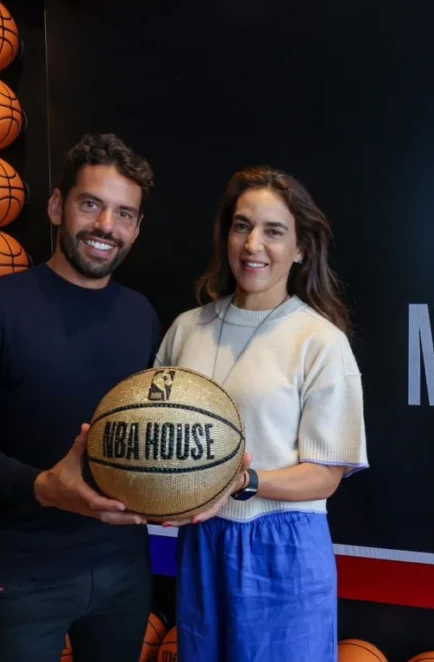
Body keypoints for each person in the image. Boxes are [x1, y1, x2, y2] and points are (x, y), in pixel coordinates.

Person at [0, 134, 161, 662]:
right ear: (57, 207)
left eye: (124, 214)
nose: (106, 226)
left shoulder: (141, 315)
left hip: (123, 569)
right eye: (91, 204)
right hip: (18, 574)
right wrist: (42, 487)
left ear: (137, 228)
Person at [154, 166, 368, 661]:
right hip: (202, 538)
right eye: (242, 226)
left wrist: (243, 481)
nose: (253, 244)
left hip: (282, 544)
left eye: (273, 231)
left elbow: (326, 475)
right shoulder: (186, 329)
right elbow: (158, 434)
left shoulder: (320, 341)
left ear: (300, 248)